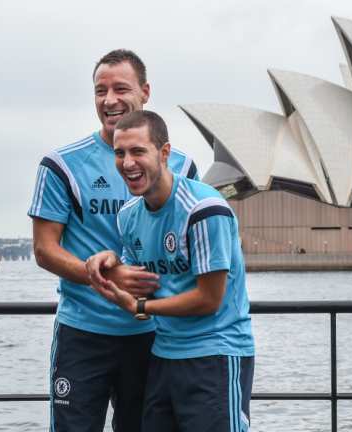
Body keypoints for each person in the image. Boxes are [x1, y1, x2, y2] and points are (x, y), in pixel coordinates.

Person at [28, 49, 200, 432]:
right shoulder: (61, 164)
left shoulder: (183, 166)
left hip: (155, 335)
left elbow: (193, 251)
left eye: (120, 88)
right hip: (83, 334)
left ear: (145, 91)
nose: (109, 100)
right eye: (100, 90)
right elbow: (44, 249)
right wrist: (106, 277)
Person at [86, 110, 255, 432]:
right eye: (119, 153)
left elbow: (209, 300)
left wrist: (138, 307)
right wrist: (108, 263)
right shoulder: (129, 215)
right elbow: (140, 279)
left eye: (138, 151)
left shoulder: (204, 208)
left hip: (215, 354)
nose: (127, 162)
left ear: (164, 153)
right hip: (163, 356)